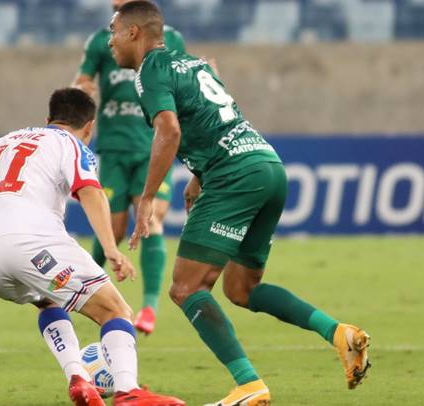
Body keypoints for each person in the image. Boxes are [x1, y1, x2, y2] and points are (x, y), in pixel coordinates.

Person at [108, 2, 371, 405]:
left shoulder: (150, 71)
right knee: (242, 288)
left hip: (236, 176)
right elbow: (214, 118)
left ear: (133, 33)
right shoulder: (193, 64)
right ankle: (340, 334)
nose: (109, 41)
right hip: (267, 166)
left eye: (113, 31)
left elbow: (170, 130)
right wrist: (198, 175)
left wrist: (147, 198)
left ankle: (249, 384)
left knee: (184, 288)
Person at [0, 88, 185, 406]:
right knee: (115, 310)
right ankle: (128, 392)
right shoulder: (72, 145)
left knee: (48, 300)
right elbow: (91, 193)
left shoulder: (7, 141)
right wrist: (110, 248)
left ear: (48, 119)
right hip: (30, 242)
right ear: (90, 127)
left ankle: (79, 378)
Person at [73, 0, 186, 335]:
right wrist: (84, 88)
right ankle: (82, 286)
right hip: (114, 145)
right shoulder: (100, 41)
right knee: (115, 227)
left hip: (153, 145)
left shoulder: (171, 39)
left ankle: (149, 307)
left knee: (152, 217)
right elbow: (82, 79)